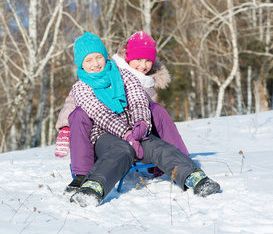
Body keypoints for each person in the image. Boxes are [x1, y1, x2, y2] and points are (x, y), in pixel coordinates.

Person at [66, 32, 220, 207]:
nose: (95, 63)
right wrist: (127, 135)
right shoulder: (80, 88)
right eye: (89, 60)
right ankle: (93, 188)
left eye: (98, 57)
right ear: (81, 64)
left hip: (135, 129)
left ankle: (195, 178)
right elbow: (100, 113)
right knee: (121, 150)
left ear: (105, 56)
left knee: (156, 146)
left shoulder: (124, 75)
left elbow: (139, 100)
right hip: (104, 134)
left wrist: (141, 125)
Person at [55, 31, 190, 190]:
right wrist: (65, 126)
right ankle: (81, 174)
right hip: (104, 130)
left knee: (156, 109)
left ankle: (180, 161)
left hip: (136, 126)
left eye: (148, 61)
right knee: (78, 114)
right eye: (138, 59)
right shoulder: (101, 77)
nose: (143, 65)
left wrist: (140, 125)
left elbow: (142, 105)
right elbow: (78, 105)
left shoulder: (144, 81)